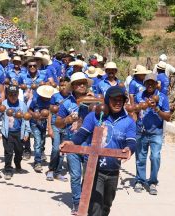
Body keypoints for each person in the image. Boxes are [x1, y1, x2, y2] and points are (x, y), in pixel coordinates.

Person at [60, 86, 136, 216]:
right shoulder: (95, 116)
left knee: (106, 206)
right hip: (94, 169)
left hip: (113, 171)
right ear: (107, 100)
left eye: (121, 100)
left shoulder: (128, 121)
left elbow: (132, 141)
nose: (118, 102)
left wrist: (129, 149)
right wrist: (71, 143)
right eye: (114, 99)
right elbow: (82, 134)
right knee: (95, 207)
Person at [55, 72, 94, 214]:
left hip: (90, 144)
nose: (82, 85)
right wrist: (67, 120)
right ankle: (77, 203)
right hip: (72, 144)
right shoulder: (67, 103)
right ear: (73, 86)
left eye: (84, 83)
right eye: (78, 83)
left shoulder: (95, 100)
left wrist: (95, 103)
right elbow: (58, 123)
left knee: (89, 175)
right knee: (76, 175)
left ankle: (86, 199)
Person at [134, 73, 171, 195]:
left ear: (156, 84)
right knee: (140, 157)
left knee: (155, 157)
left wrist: (157, 109)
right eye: (147, 82)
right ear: (144, 84)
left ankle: (153, 182)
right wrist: (140, 108)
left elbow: (168, 117)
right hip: (141, 131)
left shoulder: (163, 97)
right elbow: (134, 111)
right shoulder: (139, 96)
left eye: (152, 82)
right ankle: (140, 180)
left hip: (156, 132)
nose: (150, 84)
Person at [0, 85, 30, 180]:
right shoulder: (3, 105)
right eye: (10, 95)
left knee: (19, 151)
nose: (13, 97)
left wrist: (27, 132)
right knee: (8, 152)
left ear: (18, 94)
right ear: (7, 95)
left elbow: (26, 119)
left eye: (15, 95)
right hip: (8, 133)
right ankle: (8, 169)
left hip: (19, 132)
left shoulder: (22, 105)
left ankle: (18, 165)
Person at [46, 77, 71, 182]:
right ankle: (51, 170)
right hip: (55, 125)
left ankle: (58, 172)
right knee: (56, 148)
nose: (63, 87)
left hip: (66, 126)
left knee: (62, 150)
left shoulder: (72, 98)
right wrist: (49, 127)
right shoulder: (55, 97)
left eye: (65, 85)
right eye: (61, 85)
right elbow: (50, 112)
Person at [29, 85, 57, 172]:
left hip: (44, 124)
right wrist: (34, 115)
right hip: (35, 124)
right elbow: (29, 109)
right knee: (37, 142)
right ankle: (37, 162)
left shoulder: (51, 102)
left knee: (42, 141)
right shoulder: (35, 100)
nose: (46, 98)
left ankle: (41, 152)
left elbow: (51, 113)